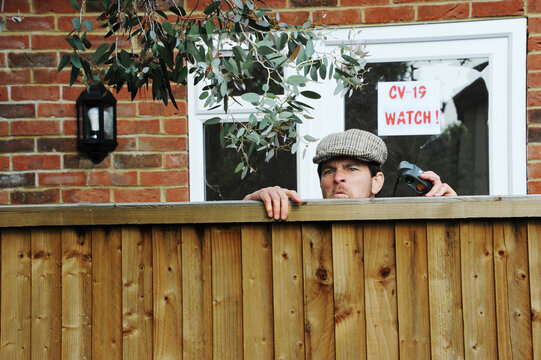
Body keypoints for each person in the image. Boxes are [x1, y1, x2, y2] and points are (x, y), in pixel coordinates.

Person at [244, 129, 457, 220]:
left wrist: (451, 213)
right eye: (329, 170)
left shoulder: (400, 232)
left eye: (352, 168)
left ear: (377, 182)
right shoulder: (300, 228)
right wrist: (252, 205)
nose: (338, 178)